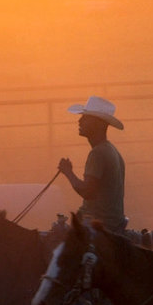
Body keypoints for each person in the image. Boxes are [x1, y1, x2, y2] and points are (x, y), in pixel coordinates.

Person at [57, 96, 127, 233]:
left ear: (98, 124)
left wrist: (68, 172)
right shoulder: (111, 150)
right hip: (112, 220)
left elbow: (87, 192)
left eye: (85, 118)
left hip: (99, 221)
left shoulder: (97, 153)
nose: (80, 120)